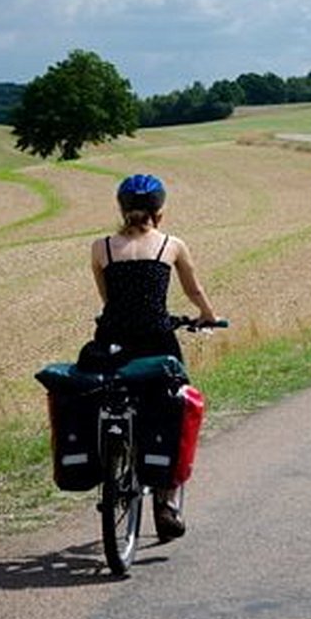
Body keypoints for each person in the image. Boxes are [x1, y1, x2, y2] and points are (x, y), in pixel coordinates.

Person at [90, 173, 219, 540]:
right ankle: (165, 502)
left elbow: (107, 300)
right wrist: (208, 316)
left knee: (110, 397)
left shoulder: (102, 248)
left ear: (121, 208)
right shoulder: (171, 245)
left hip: (111, 341)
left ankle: (112, 460)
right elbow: (194, 290)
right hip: (157, 341)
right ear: (159, 212)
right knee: (173, 410)